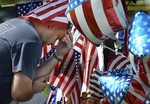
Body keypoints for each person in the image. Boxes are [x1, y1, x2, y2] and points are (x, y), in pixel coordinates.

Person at [0, 0, 73, 104]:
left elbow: (28, 77)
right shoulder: (31, 39)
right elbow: (19, 93)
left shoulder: (18, 24)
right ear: (52, 25)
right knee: (40, 100)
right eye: (57, 37)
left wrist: (58, 54)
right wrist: (33, 89)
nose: (53, 43)